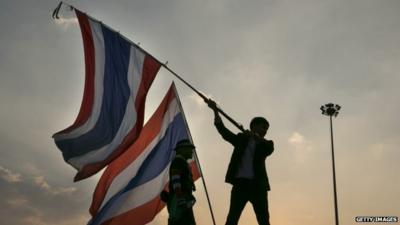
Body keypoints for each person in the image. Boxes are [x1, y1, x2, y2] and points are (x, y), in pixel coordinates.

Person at [206, 99, 274, 225]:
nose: (265, 130)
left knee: (264, 220)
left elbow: (269, 149)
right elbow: (224, 132)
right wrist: (215, 111)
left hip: (258, 187)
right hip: (240, 186)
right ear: (254, 126)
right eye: (263, 127)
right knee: (232, 219)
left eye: (267, 129)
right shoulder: (241, 139)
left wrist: (255, 137)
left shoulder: (267, 144)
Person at [161, 139, 197, 225]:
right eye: (189, 148)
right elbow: (176, 182)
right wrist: (181, 200)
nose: (192, 151)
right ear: (181, 149)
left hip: (183, 201)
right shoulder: (178, 162)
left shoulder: (182, 163)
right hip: (180, 202)